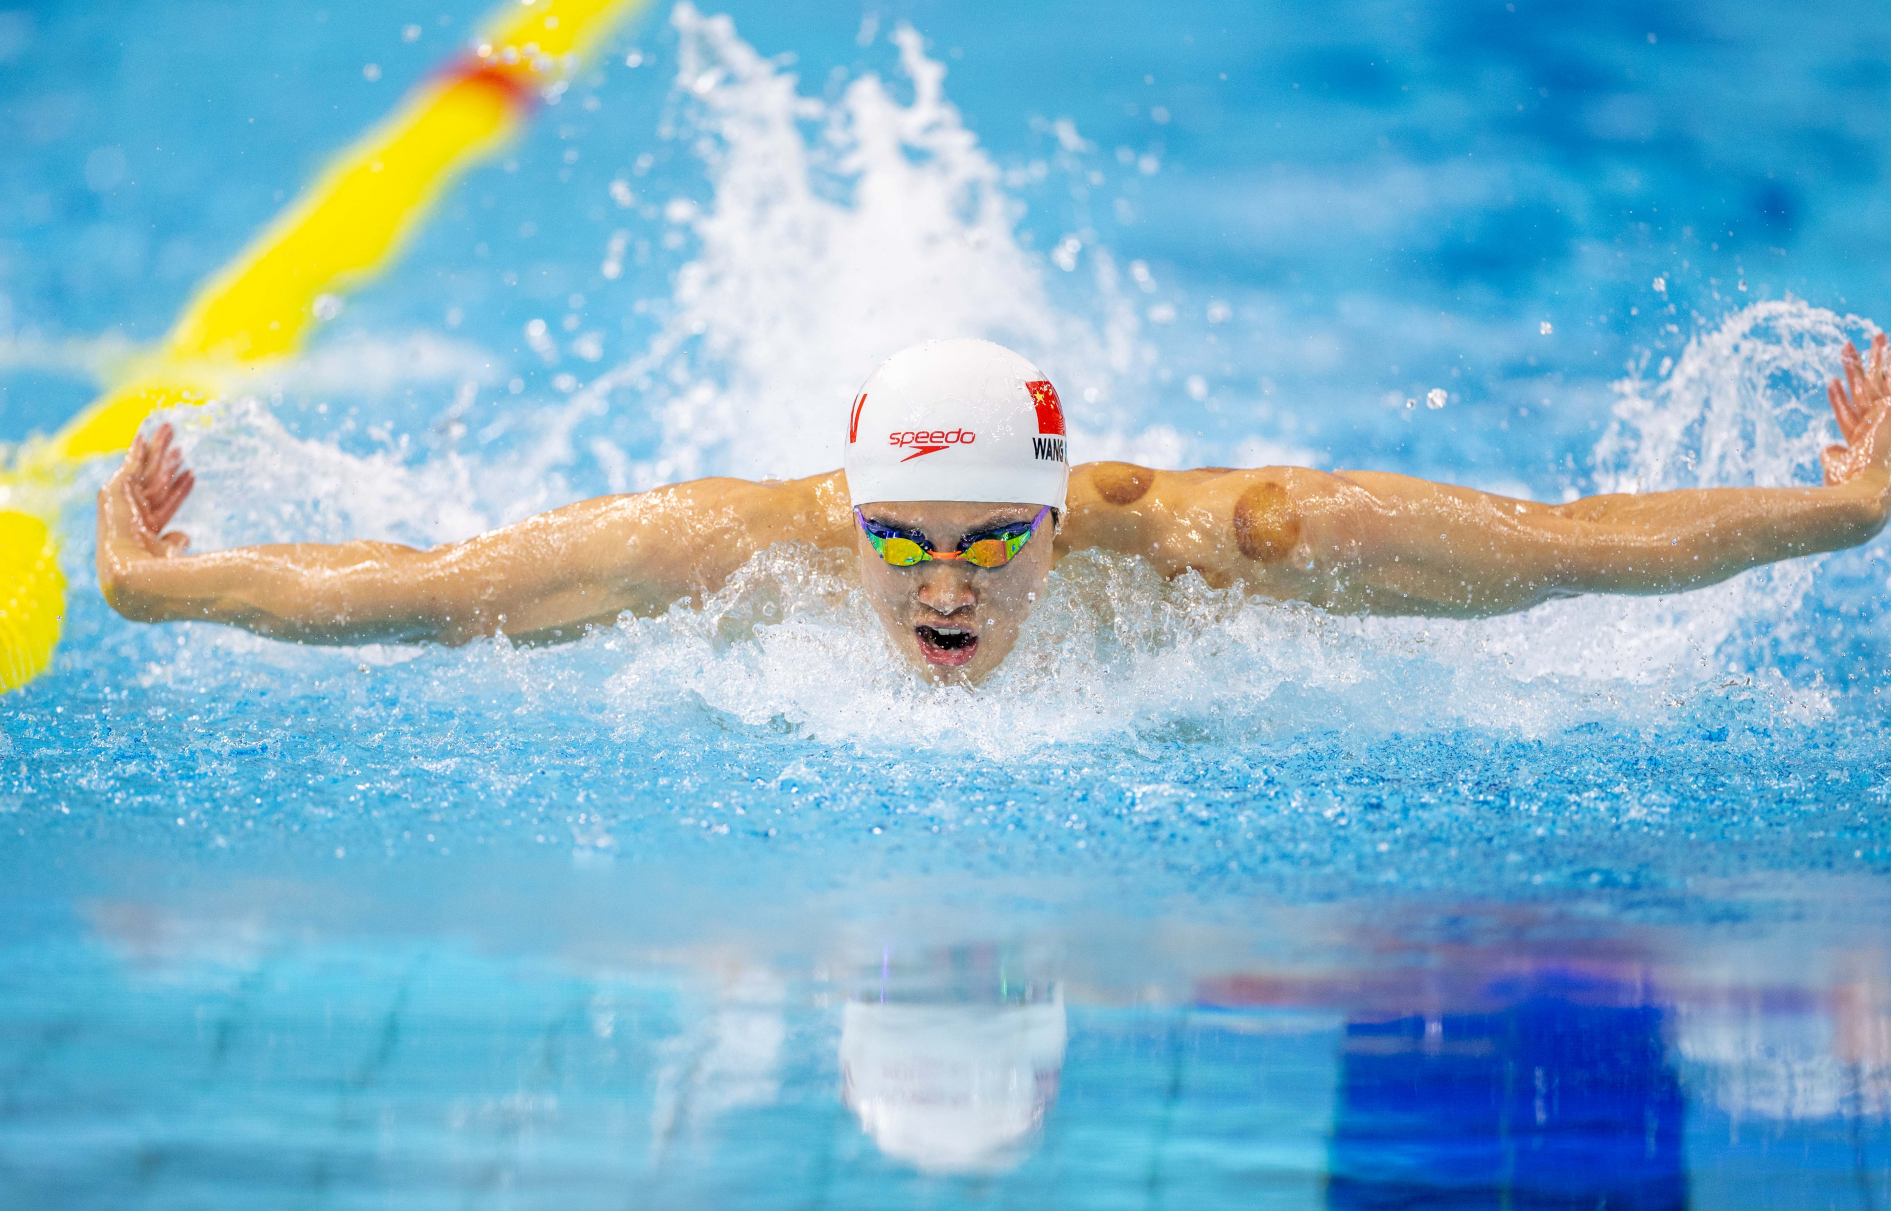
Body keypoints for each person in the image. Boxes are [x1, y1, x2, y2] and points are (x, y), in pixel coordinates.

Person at [97, 334, 1891, 684]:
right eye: (902, 541)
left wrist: (1841, 516)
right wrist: (168, 589)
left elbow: (1562, 553)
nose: (944, 591)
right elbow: (429, 592)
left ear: (1057, 522)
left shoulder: (1223, 540)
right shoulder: (742, 542)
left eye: (987, 544)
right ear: (849, 513)